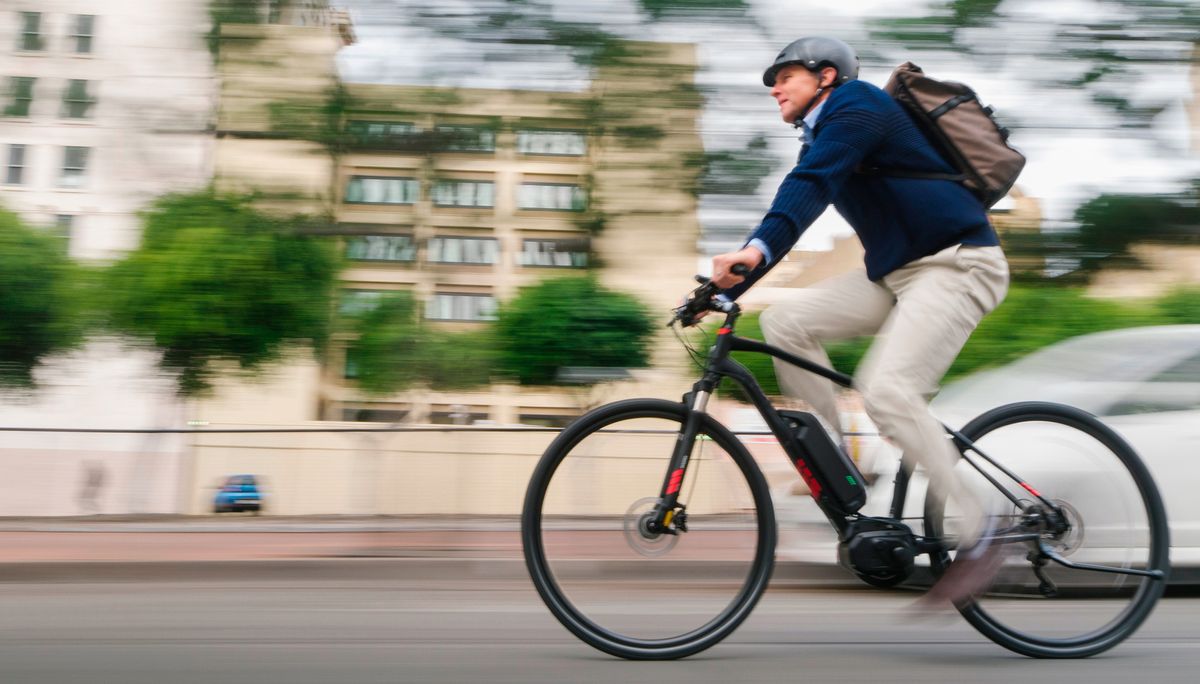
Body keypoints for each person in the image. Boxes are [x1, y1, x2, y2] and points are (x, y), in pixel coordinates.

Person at [708, 36, 1010, 607]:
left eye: (786, 76)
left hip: (957, 263)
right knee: (786, 324)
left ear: (826, 76)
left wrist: (750, 251)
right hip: (898, 273)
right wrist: (724, 288)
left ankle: (982, 528)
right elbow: (798, 211)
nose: (774, 87)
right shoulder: (824, 135)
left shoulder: (857, 106)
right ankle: (839, 472)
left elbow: (809, 185)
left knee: (886, 392)